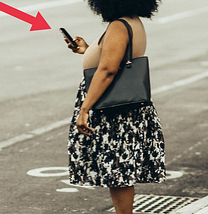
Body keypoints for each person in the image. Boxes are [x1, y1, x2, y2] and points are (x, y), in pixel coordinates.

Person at [65, 0, 165, 214]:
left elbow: (108, 70)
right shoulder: (132, 21)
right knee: (119, 171)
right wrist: (87, 50)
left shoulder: (119, 25)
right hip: (124, 107)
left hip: (114, 110)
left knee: (118, 172)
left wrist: (85, 109)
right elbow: (115, 58)